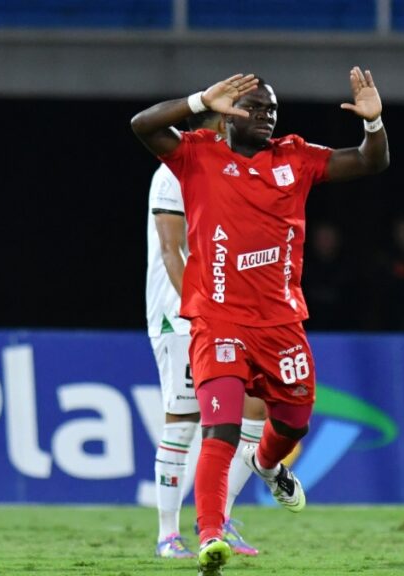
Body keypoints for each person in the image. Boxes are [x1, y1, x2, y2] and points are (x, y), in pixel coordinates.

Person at [131, 68, 389, 575]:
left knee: (295, 420)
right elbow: (142, 125)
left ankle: (270, 467)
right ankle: (209, 535)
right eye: (257, 108)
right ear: (228, 114)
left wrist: (375, 124)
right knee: (218, 431)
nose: (268, 116)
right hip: (217, 323)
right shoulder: (197, 156)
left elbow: (368, 162)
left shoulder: (295, 157)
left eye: (273, 109)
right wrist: (197, 98)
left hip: (281, 323)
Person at [147, 110, 266, 560]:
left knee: (253, 407)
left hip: (231, 311)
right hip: (180, 313)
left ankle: (220, 519)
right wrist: (199, 312)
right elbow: (171, 250)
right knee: (184, 417)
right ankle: (167, 535)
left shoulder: (234, 172)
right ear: (221, 126)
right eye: (241, 121)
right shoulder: (175, 170)